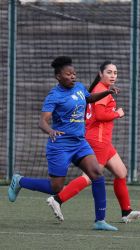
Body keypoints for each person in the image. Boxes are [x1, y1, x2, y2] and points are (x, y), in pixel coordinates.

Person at [7, 56, 118, 231]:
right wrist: (50, 131)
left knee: (97, 173)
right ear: (58, 77)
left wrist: (107, 92)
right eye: (69, 74)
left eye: (74, 73)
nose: (73, 76)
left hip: (80, 143)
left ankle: (100, 221)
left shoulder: (80, 87)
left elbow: (89, 98)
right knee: (55, 187)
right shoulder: (54, 95)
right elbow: (42, 121)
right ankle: (20, 181)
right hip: (60, 145)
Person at [46, 61, 140, 223]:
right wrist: (117, 114)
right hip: (97, 140)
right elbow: (99, 115)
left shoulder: (102, 91)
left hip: (104, 140)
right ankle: (58, 199)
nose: (113, 75)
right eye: (109, 72)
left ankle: (126, 211)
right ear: (100, 74)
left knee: (121, 172)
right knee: (90, 177)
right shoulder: (101, 90)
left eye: (115, 73)